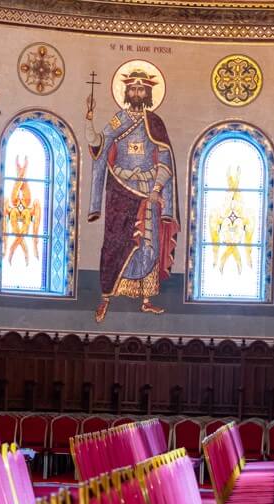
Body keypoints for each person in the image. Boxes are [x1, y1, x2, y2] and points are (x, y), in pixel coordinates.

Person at [86, 68, 178, 322]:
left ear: (148, 93)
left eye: (142, 89)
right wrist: (89, 122)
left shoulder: (155, 123)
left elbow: (165, 160)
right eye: (133, 89)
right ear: (127, 92)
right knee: (115, 241)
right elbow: (100, 143)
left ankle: (146, 299)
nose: (137, 93)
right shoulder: (119, 119)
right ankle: (106, 296)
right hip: (119, 189)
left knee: (147, 243)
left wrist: (157, 190)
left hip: (148, 191)